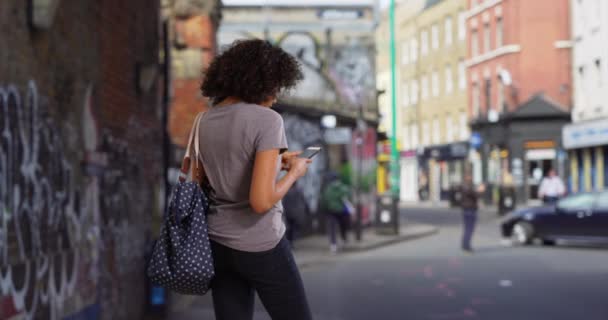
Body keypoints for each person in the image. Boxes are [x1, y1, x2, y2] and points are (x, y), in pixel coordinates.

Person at [197, 39, 312, 320]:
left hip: (218, 243)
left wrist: (275, 161)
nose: (276, 96)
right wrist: (294, 173)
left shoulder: (204, 120)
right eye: (276, 87)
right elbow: (260, 202)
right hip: (261, 242)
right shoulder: (267, 119)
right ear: (262, 81)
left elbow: (205, 180)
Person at [321, 172, 352, 253]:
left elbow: (324, 200)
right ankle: (344, 240)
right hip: (342, 212)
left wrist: (325, 209)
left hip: (331, 211)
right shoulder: (344, 188)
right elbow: (348, 199)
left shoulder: (328, 189)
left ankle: (333, 244)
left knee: (332, 229)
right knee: (343, 226)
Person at [459, 174, 485, 253]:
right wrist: (481, 191)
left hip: (465, 209)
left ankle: (464, 244)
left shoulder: (463, 186)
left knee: (467, 228)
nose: (471, 178)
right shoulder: (468, 187)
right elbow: (475, 195)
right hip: (470, 209)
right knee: (470, 228)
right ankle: (466, 245)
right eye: (470, 177)